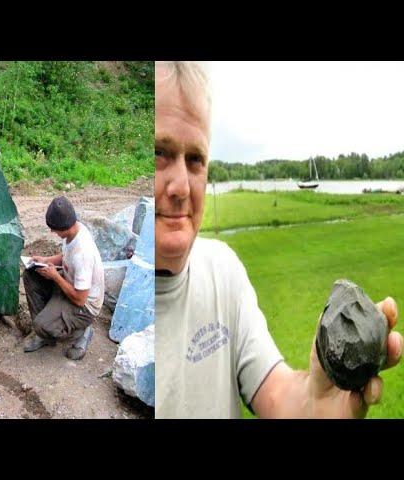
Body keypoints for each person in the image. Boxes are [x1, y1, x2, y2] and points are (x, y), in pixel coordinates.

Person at [154, 61, 402, 418]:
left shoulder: (223, 270)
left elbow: (274, 392)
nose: (180, 186)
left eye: (195, 159)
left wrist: (314, 401)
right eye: (159, 153)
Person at [23, 196, 105, 360]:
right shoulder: (75, 231)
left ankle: (80, 333)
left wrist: (55, 277)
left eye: (54, 229)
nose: (53, 232)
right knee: (30, 275)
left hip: (85, 307)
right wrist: (46, 261)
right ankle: (46, 334)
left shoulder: (83, 253)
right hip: (70, 284)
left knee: (41, 325)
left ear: (64, 227)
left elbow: (81, 299)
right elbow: (66, 255)